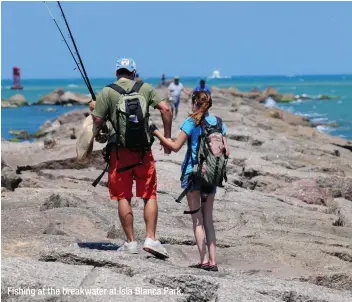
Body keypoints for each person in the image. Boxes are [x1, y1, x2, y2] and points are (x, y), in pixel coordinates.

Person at [90, 58, 172, 258]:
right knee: (149, 194)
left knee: (123, 196)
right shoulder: (145, 88)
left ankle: (130, 242)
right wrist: (167, 137)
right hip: (143, 151)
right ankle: (151, 239)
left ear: (117, 72)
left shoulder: (108, 91)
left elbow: (98, 121)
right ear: (134, 72)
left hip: (120, 152)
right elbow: (166, 109)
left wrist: (95, 113)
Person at [152, 91, 230, 271]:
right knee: (208, 220)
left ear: (195, 103)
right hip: (211, 175)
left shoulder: (191, 122)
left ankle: (203, 262)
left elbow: (175, 146)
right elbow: (227, 151)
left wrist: (157, 133)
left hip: (193, 175)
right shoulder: (219, 123)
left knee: (197, 221)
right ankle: (213, 262)